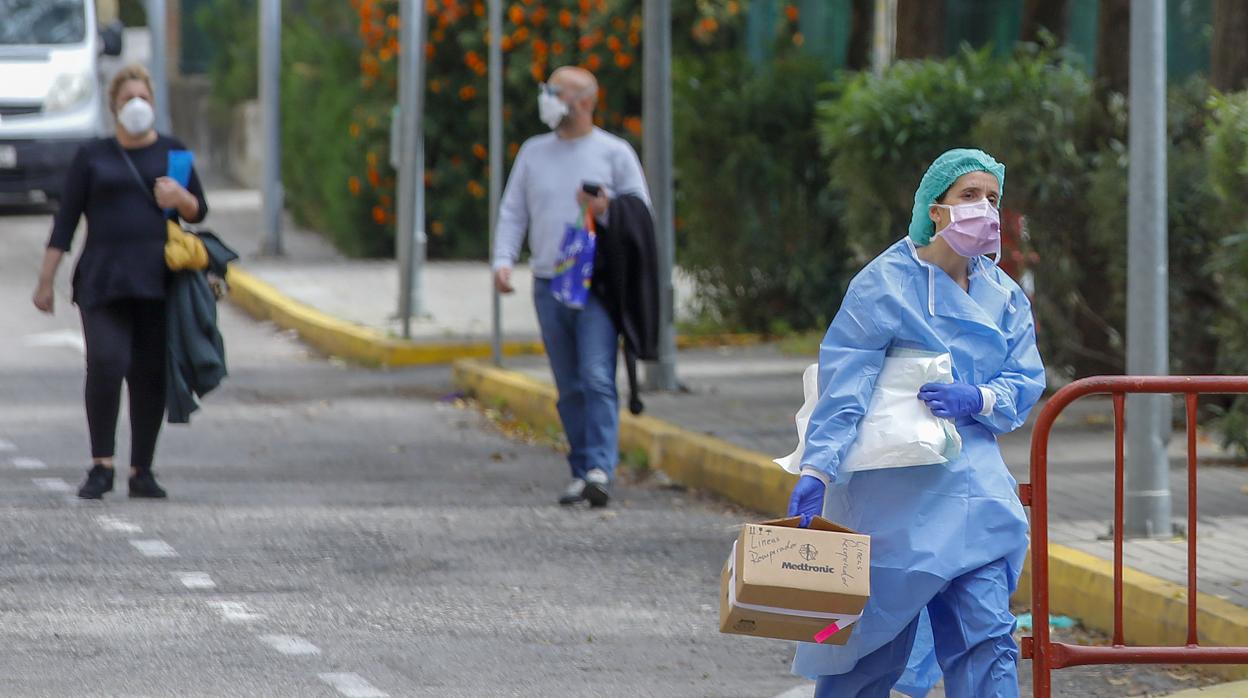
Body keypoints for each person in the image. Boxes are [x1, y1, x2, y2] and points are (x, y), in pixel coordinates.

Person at [786, 148, 1045, 697]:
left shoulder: (1003, 296)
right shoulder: (883, 285)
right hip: (894, 504)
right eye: (969, 196)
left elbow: (1024, 381)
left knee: (988, 642)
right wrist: (817, 467)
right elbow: (844, 387)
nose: (984, 209)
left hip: (977, 498)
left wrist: (978, 397)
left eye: (992, 198)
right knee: (866, 648)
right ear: (935, 207)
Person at [32, 64, 209, 500]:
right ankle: (101, 465)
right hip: (102, 281)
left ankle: (141, 470)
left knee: (149, 375)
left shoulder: (174, 154)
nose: (137, 106)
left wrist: (180, 197)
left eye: (144, 98)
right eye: (129, 98)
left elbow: (198, 211)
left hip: (156, 282)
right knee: (107, 363)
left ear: (153, 103)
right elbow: (66, 220)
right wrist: (45, 280)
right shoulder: (93, 155)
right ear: (114, 106)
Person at [492, 66, 651, 508]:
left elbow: (642, 214)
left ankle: (601, 466)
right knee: (569, 384)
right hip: (549, 283)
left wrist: (606, 209)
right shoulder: (532, 152)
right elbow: (513, 212)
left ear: (585, 101)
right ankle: (582, 470)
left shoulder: (614, 153)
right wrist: (503, 260)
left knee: (597, 375)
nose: (548, 99)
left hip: (596, 286)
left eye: (556, 92)